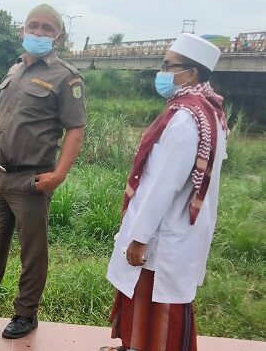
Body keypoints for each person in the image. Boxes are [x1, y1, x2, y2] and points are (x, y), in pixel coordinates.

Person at [0, 4, 87, 339]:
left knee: (32, 251)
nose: (38, 33)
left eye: (46, 28)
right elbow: (0, 120)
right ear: (22, 30)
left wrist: (60, 174)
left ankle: (26, 314)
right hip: (0, 174)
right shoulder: (15, 69)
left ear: (58, 36)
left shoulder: (67, 77)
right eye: (32, 26)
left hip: (33, 179)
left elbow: (75, 129)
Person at [102, 33, 228, 351]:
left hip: (164, 233)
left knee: (159, 305)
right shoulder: (207, 112)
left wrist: (139, 237)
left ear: (192, 73)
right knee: (146, 296)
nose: (162, 72)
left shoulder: (187, 119)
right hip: (175, 229)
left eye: (168, 66)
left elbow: (163, 185)